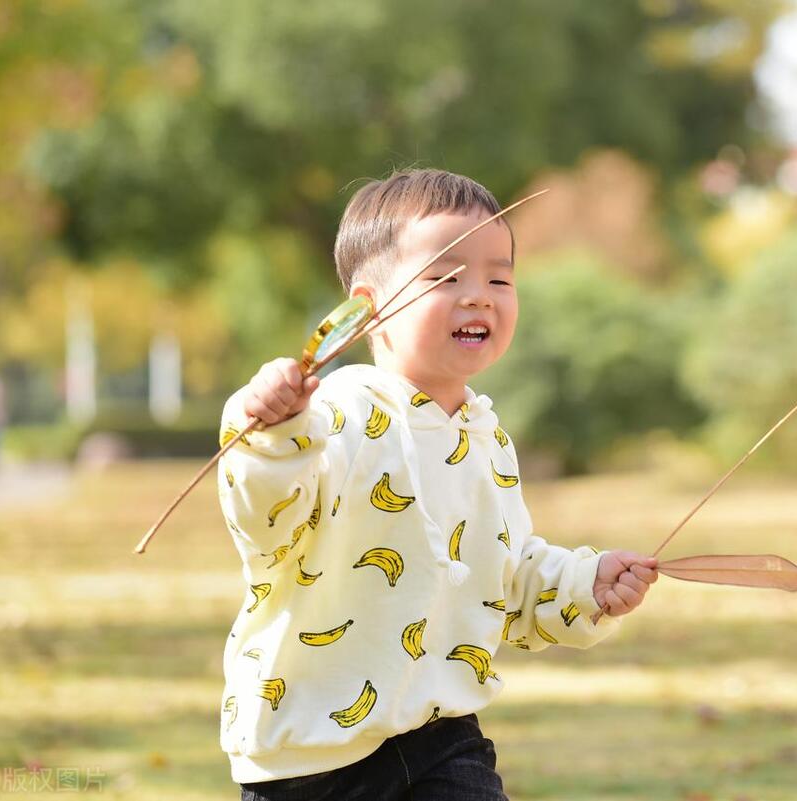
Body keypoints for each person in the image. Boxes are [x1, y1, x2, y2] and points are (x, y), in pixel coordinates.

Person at [217, 168, 660, 800]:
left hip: (440, 734)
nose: (479, 295)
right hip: (308, 748)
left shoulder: (484, 435)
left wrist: (586, 586)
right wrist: (271, 435)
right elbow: (266, 524)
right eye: (446, 277)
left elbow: (505, 578)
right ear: (367, 311)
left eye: (499, 278)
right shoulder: (329, 419)